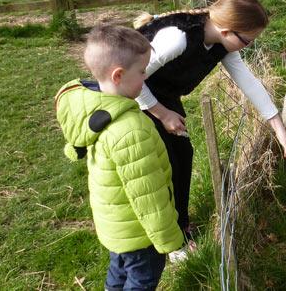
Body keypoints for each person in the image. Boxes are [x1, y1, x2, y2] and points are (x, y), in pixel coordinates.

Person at [133, 0, 286, 240]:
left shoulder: (221, 44)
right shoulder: (177, 39)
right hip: (134, 95)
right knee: (161, 164)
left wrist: (280, 131)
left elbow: (249, 83)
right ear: (226, 30)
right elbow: (133, 77)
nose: (249, 45)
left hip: (163, 95)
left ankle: (179, 224)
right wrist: (163, 114)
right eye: (247, 40)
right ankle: (167, 237)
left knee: (182, 156)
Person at [54, 24, 188, 291]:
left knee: (119, 270)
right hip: (139, 233)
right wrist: (170, 240)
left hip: (115, 225)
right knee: (142, 279)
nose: (145, 77)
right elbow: (147, 194)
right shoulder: (131, 130)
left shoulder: (97, 107)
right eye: (142, 71)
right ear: (118, 75)